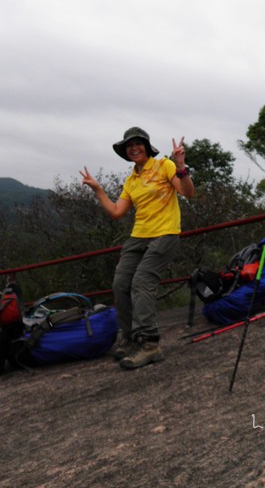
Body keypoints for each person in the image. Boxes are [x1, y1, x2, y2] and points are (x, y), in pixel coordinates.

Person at [81, 127, 194, 369]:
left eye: (137, 143)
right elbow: (116, 212)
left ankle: (149, 344)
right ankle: (132, 337)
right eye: (128, 145)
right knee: (121, 283)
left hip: (165, 233)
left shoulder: (164, 165)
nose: (133, 147)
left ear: (146, 145)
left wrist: (181, 164)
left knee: (141, 281)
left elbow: (187, 192)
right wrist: (98, 190)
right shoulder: (131, 180)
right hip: (138, 236)